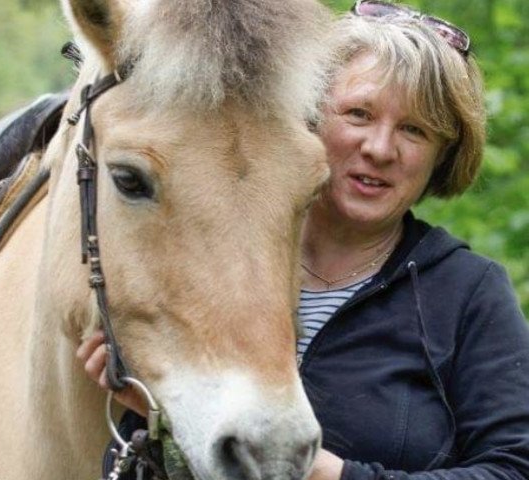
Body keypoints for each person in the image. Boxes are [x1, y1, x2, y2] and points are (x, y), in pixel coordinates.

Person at [77, 1, 529, 479]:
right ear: (307, 114)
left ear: (443, 155)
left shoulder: (468, 293)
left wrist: (333, 476)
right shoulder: (219, 256)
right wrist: (156, 413)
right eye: (358, 113)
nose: (379, 149)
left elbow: (515, 469)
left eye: (414, 130)